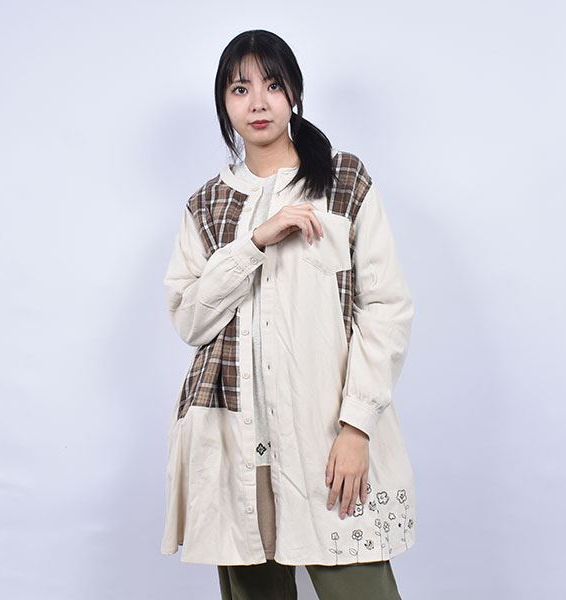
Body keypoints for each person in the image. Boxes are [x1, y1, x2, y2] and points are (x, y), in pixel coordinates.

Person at [160, 29, 416, 600]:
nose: (258, 102)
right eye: (240, 89)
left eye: (272, 85)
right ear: (223, 104)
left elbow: (386, 309)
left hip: (326, 438)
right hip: (234, 445)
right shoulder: (205, 206)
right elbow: (190, 321)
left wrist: (356, 427)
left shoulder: (343, 181)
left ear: (294, 93)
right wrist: (254, 242)